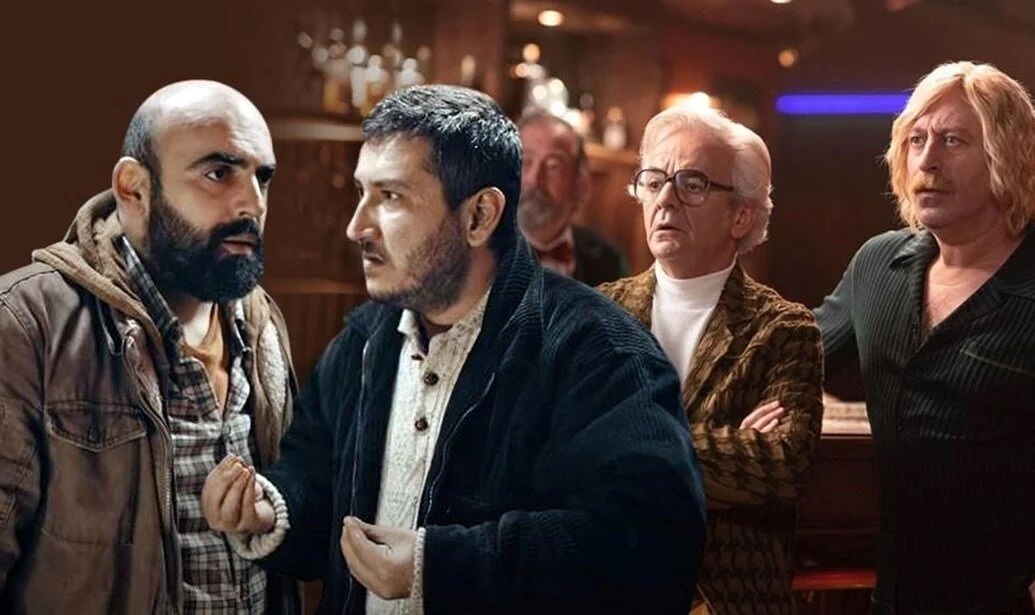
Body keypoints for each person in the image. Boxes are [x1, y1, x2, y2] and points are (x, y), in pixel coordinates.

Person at [202, 84, 706, 614]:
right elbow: (317, 485)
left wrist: (438, 567)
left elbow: (652, 548)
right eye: (362, 192)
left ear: (479, 216)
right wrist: (272, 507)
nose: (357, 227)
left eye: (391, 197)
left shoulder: (603, 352)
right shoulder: (361, 343)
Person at [0, 80, 299, 613]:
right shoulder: (26, 325)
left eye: (263, 177)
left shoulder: (260, 322)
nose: (252, 202)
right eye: (218, 173)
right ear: (134, 188)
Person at [815, 61, 1035, 614]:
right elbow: (790, 360)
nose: (927, 160)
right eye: (917, 140)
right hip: (896, 598)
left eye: (953, 140)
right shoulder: (878, 264)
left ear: (1008, 159)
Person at [599, 106, 824, 613]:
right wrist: (723, 450)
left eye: (692, 184)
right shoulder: (600, 312)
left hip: (724, 599)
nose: (665, 199)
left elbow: (781, 467)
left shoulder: (783, 329)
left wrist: (624, 445)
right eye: (653, 181)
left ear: (740, 215)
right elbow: (562, 446)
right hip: (611, 587)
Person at [517, 110, 629, 285]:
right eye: (525, 162)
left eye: (553, 166)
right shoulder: (476, 252)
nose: (534, 179)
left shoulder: (608, 261)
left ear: (581, 184)